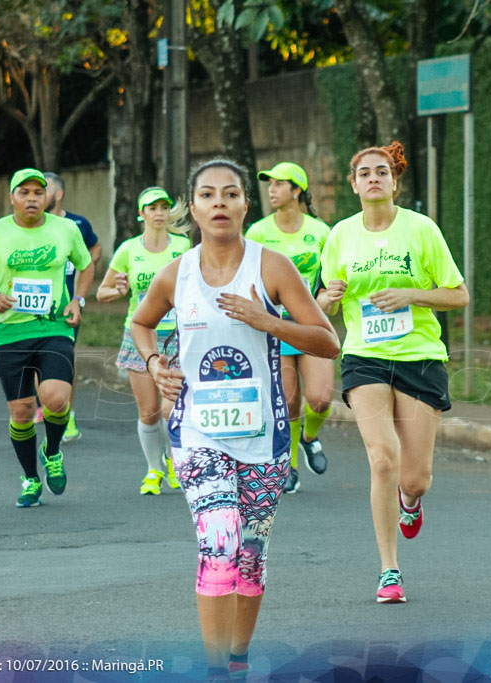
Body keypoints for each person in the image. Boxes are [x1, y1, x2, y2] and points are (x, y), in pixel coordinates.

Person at [131, 159, 339, 678]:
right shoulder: (176, 273)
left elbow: (327, 342)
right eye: (206, 194)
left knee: (250, 554)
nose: (218, 202)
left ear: (247, 204)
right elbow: (141, 322)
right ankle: (213, 668)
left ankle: (238, 659)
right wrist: (157, 363)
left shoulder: (272, 267)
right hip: (198, 434)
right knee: (219, 542)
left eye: (229, 194)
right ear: (193, 209)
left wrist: (268, 320)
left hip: (265, 437)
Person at [321, 141, 468, 604]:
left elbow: (458, 295)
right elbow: (323, 300)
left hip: (420, 355)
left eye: (381, 171)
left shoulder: (421, 230)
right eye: (364, 173)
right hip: (364, 354)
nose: (373, 179)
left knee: (414, 477)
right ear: (353, 184)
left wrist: (411, 294)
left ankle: (411, 501)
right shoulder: (340, 235)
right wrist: (328, 298)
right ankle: (389, 570)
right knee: (382, 457)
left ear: (394, 180)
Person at [0, 168, 94, 507]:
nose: (32, 198)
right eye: (24, 192)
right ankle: (30, 478)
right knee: (22, 411)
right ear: (12, 198)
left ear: (48, 197)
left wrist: (77, 300)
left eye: (38, 192)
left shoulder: (66, 230)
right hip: (10, 331)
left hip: (54, 326)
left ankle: (52, 451)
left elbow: (86, 264)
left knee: (55, 397)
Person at [96, 187, 190, 495]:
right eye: (152, 208)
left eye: (164, 207)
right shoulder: (128, 250)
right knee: (148, 409)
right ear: (142, 214)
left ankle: (176, 461)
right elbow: (102, 292)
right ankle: (154, 469)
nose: (160, 212)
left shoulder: (183, 246)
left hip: (177, 335)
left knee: (170, 407)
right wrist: (118, 292)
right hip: (139, 335)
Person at [248, 162, 334, 493]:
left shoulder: (322, 232)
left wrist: (327, 299)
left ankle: (310, 438)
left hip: (311, 327)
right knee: (287, 401)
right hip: (276, 329)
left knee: (322, 399)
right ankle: (290, 467)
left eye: (278, 184)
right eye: (268, 184)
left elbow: (329, 280)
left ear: (296, 190)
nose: (271, 189)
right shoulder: (257, 232)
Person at [44, 171, 103, 442]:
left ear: (58, 194)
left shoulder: (78, 224)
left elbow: (95, 249)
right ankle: (46, 405)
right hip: (36, 305)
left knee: (66, 359)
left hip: (68, 305)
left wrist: (80, 286)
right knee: (36, 361)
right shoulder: (32, 226)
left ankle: (68, 414)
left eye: (43, 191)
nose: (36, 197)